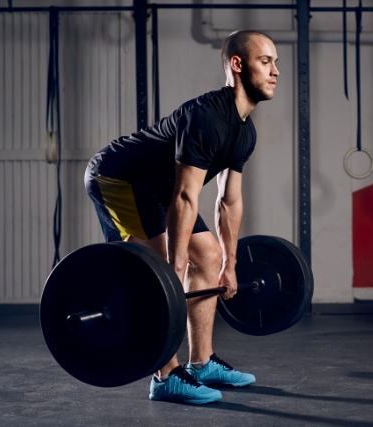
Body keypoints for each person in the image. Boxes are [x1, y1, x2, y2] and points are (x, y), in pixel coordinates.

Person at [84, 30, 280, 404]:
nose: (275, 72)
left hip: (159, 186)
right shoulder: (206, 116)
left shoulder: (244, 132)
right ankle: (164, 375)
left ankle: (201, 363)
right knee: (158, 273)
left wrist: (232, 263)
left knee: (208, 257)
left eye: (275, 63)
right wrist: (173, 268)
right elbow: (187, 195)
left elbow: (228, 201)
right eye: (265, 61)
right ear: (238, 65)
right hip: (119, 176)